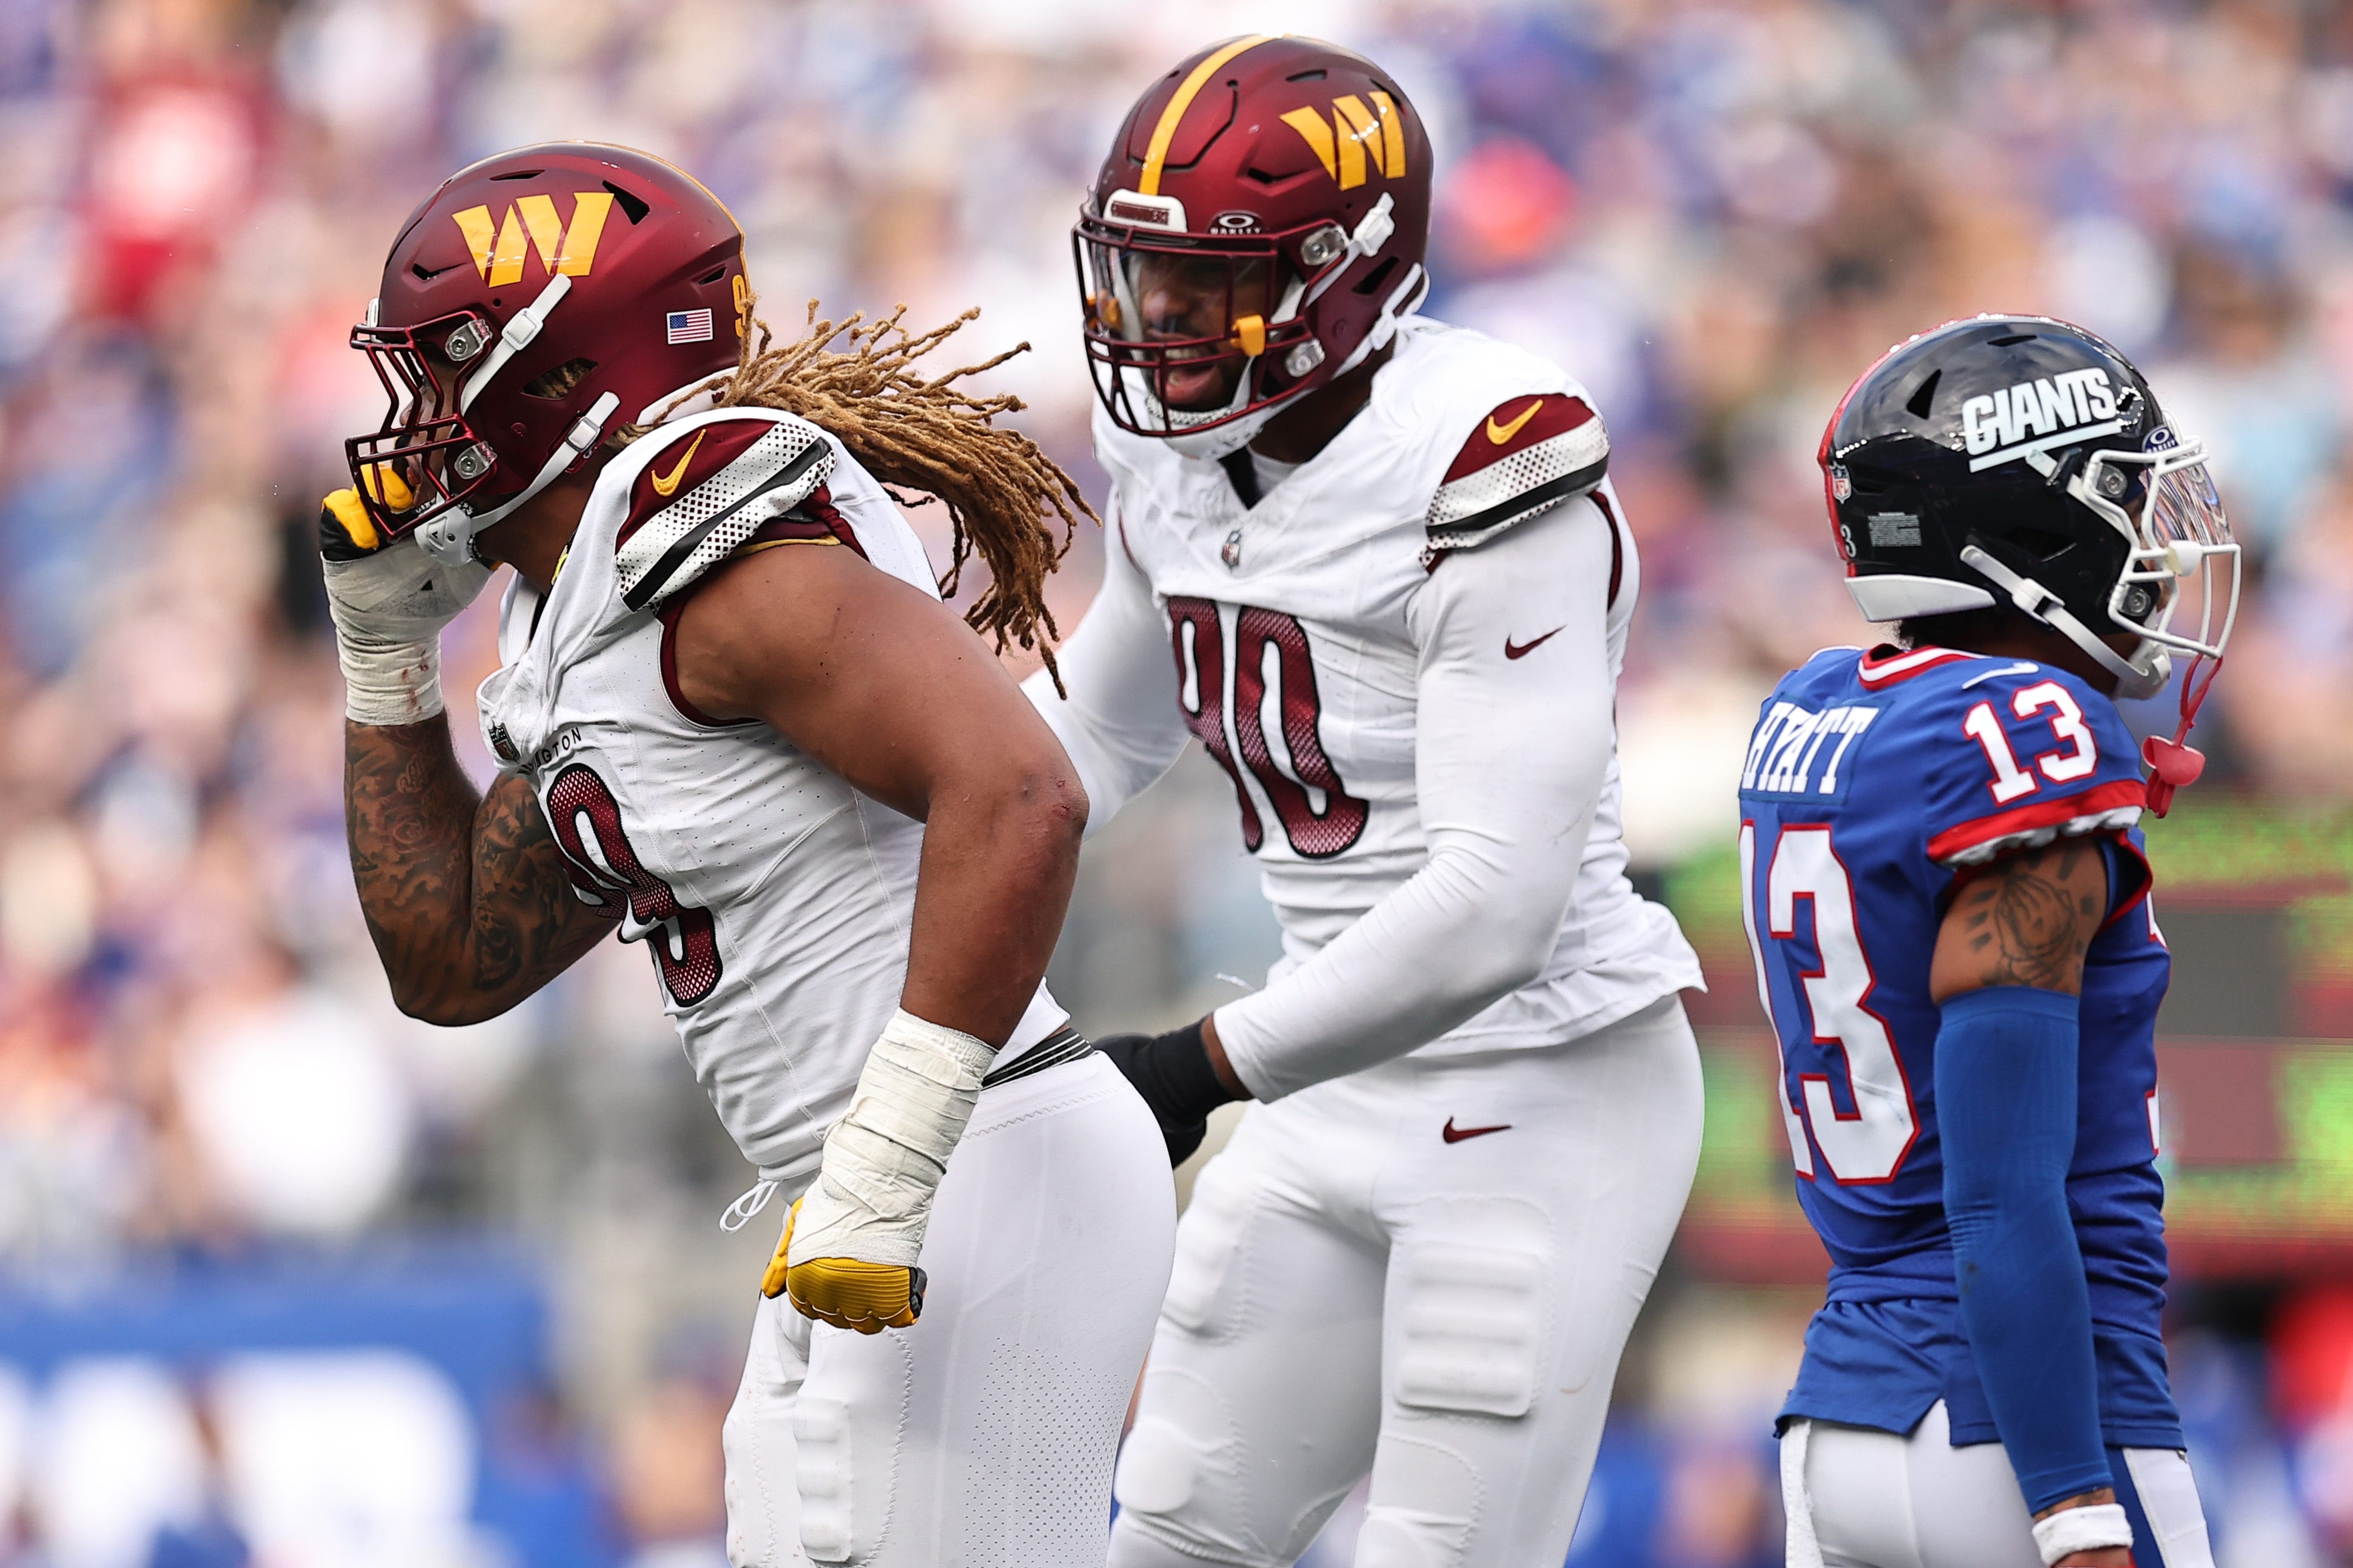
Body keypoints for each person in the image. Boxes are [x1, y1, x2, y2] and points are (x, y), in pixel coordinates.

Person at [323, 142, 1173, 1567]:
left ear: (555, 377)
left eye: (442, 379)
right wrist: (383, 659)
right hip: (877, 1178)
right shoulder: (591, 608)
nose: (415, 428)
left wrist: (891, 1162)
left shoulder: (716, 561)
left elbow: (1023, 794)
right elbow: (453, 961)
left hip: (967, 1158)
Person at [1027, 38, 1707, 1567]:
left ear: (1347, 275)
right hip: (1325, 1071)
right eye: (1147, 279)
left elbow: (1493, 902)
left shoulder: (1487, 455)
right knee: (1176, 1538)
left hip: (1543, 1076)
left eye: (1214, 284)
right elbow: (1087, 737)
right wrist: (883, 833)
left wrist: (1199, 1063)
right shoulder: (1175, 456)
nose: (1164, 324)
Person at [1744, 315, 2235, 1568]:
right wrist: (2075, 1509)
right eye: (2122, 497)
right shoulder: (2029, 727)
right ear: (2028, 530)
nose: (2154, 543)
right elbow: (2002, 1186)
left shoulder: (1820, 706)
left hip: (1840, 1418)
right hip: (2027, 1427)